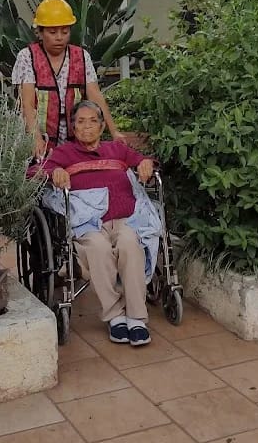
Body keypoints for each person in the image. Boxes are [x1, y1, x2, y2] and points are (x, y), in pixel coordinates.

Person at [34, 100, 159, 346]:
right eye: (81, 122)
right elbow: (35, 171)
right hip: (88, 224)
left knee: (130, 244)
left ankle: (136, 317)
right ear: (73, 128)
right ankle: (114, 317)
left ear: (102, 127)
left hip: (124, 219)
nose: (87, 127)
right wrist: (54, 172)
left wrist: (145, 163)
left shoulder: (117, 150)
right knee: (99, 247)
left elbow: (143, 161)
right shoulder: (63, 154)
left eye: (93, 121)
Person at [12, 0, 125, 159]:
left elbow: (96, 96)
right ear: (40, 32)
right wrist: (34, 138)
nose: (59, 37)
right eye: (52, 32)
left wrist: (114, 131)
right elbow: (27, 104)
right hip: (41, 143)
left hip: (77, 144)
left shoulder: (81, 56)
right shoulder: (27, 57)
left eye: (65, 31)